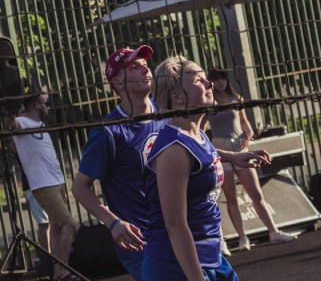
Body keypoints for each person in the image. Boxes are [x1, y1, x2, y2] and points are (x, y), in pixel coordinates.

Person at [143, 57, 271, 281]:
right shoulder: (173, 150)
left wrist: (233, 156)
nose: (209, 84)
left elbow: (201, 156)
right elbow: (175, 225)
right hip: (177, 264)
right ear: (177, 96)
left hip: (210, 255)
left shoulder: (196, 133)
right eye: (198, 80)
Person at [73, 46, 167, 280]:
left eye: (144, 64)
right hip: (140, 244)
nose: (145, 68)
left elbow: (190, 149)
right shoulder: (109, 133)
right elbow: (79, 187)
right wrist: (112, 222)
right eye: (134, 67)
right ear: (118, 82)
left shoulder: (165, 113)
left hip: (175, 231)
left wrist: (231, 156)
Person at [208, 68, 297, 250]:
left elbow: (243, 122)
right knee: (230, 197)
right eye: (215, 80)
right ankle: (242, 238)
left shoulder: (236, 99)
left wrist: (248, 134)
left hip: (240, 148)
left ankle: (273, 231)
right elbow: (201, 127)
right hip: (222, 150)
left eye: (222, 78)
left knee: (256, 193)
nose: (220, 83)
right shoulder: (209, 103)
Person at [10, 91, 77, 280]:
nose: (48, 107)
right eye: (44, 103)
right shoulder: (22, 122)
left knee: (56, 226)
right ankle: (64, 271)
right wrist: (9, 113)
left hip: (56, 181)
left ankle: (57, 273)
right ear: (35, 105)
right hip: (43, 185)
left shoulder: (39, 124)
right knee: (69, 224)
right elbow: (12, 124)